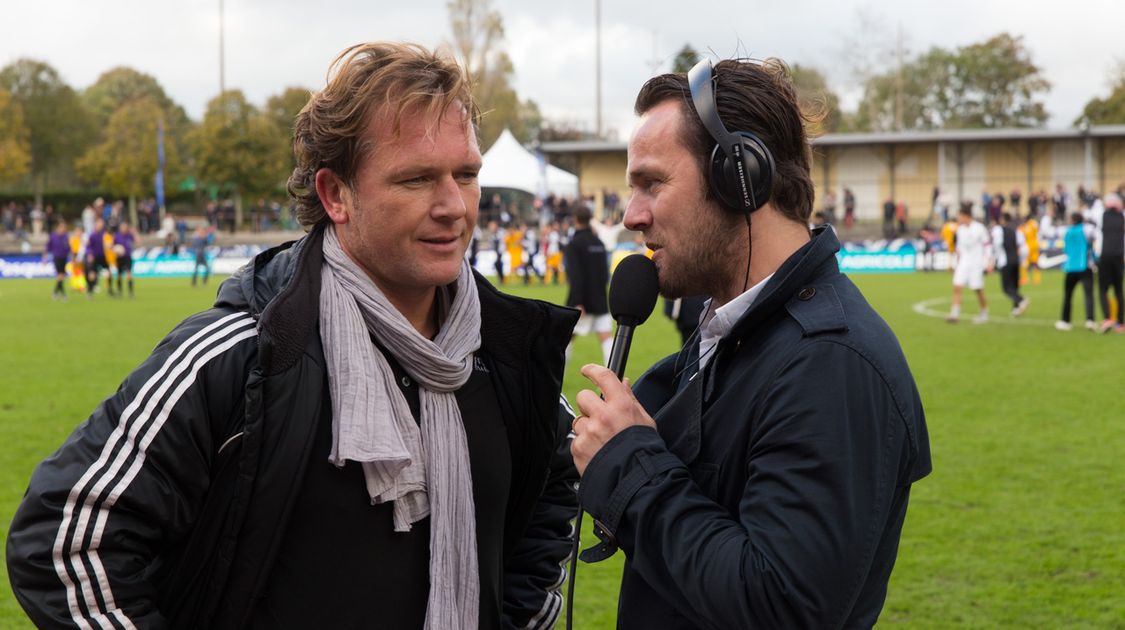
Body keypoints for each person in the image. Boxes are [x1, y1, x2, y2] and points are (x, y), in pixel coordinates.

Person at [7, 41, 578, 630]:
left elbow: (553, 490)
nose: (453, 206)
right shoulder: (244, 355)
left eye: (466, 174)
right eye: (416, 179)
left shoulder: (508, 354)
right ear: (336, 195)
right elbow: (60, 544)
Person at [567, 57, 930, 629]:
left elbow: (780, 605)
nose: (632, 215)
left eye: (651, 183)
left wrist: (629, 465)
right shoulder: (734, 334)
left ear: (740, 177)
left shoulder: (831, 363)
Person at [564, 204, 612, 365]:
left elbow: (575, 275)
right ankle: (614, 375)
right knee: (607, 338)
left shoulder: (574, 244)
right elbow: (605, 274)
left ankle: (555, 377)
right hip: (599, 298)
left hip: (581, 301)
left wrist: (577, 301)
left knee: (565, 338)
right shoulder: (599, 243)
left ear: (575, 219)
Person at [946, 205, 992, 324]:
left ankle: (984, 312)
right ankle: (954, 314)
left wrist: (989, 262)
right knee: (957, 286)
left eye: (960, 216)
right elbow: (959, 248)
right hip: (963, 263)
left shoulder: (979, 228)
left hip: (976, 263)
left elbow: (987, 245)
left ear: (966, 216)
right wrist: (954, 262)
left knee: (978, 289)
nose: (958, 219)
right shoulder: (960, 230)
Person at [1057, 212, 1098, 331]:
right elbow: (1096, 237)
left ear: (1072, 220)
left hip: (1070, 266)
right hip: (1084, 266)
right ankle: (1090, 320)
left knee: (1068, 295)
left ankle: (1065, 321)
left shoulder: (1067, 231)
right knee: (1089, 295)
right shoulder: (1087, 229)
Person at [992, 213, 1029, 316]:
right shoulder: (1017, 231)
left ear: (1003, 219)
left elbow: (997, 245)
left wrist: (994, 259)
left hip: (1005, 261)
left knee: (1006, 288)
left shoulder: (998, 230)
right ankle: (1016, 309)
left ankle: (1021, 300)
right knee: (1015, 286)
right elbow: (1023, 248)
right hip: (1016, 261)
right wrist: (1021, 260)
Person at [1097, 193, 1124, 333]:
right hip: (1119, 256)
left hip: (1106, 255)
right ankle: (1120, 323)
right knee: (1119, 290)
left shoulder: (1103, 215)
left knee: (1102, 289)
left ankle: (1107, 319)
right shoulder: (1122, 217)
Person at [85, 217, 115, 298]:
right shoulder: (92, 235)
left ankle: (110, 290)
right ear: (96, 225)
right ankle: (89, 291)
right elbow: (88, 247)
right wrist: (90, 254)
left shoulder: (104, 234)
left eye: (101, 224)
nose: (100, 225)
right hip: (94, 256)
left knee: (109, 272)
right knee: (92, 274)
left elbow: (108, 243)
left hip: (103, 256)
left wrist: (110, 246)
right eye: (99, 224)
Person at [44, 219, 70, 300]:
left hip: (64, 257)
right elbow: (48, 247)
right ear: (58, 227)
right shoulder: (53, 236)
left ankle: (56, 293)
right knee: (60, 275)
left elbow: (68, 248)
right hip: (57, 257)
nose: (63, 229)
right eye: (62, 227)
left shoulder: (65, 236)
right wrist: (45, 257)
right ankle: (63, 293)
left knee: (62, 276)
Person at [113, 221, 137, 298]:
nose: (123, 228)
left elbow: (138, 242)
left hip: (127, 257)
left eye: (125, 227)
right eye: (122, 226)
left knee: (129, 274)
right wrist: (116, 250)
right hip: (119, 258)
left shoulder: (129, 235)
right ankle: (119, 292)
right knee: (119, 275)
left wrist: (135, 233)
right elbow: (111, 245)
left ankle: (131, 293)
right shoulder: (117, 236)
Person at [1020, 209, 1042, 285]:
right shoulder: (1034, 223)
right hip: (1035, 245)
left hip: (1028, 246)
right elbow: (1038, 232)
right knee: (1035, 263)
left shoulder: (1026, 226)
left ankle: (1024, 278)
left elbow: (1023, 234)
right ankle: (1037, 279)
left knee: (1024, 262)